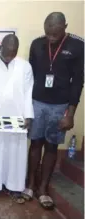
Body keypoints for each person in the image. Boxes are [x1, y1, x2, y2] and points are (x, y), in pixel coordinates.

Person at [23, 12, 84, 210]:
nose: (50, 37)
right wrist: (26, 108)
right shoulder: (36, 44)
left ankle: (43, 189)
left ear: (64, 26)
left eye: (55, 34)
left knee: (50, 147)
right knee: (35, 144)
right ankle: (30, 185)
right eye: (47, 33)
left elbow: (78, 83)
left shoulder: (77, 45)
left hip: (60, 106)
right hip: (37, 103)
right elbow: (29, 78)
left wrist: (71, 114)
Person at [0, 34, 34, 204]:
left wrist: (28, 116)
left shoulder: (25, 66)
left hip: (17, 118)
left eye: (14, 51)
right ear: (0, 48)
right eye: (7, 51)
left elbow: (28, 94)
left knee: (15, 153)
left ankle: (14, 187)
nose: (10, 55)